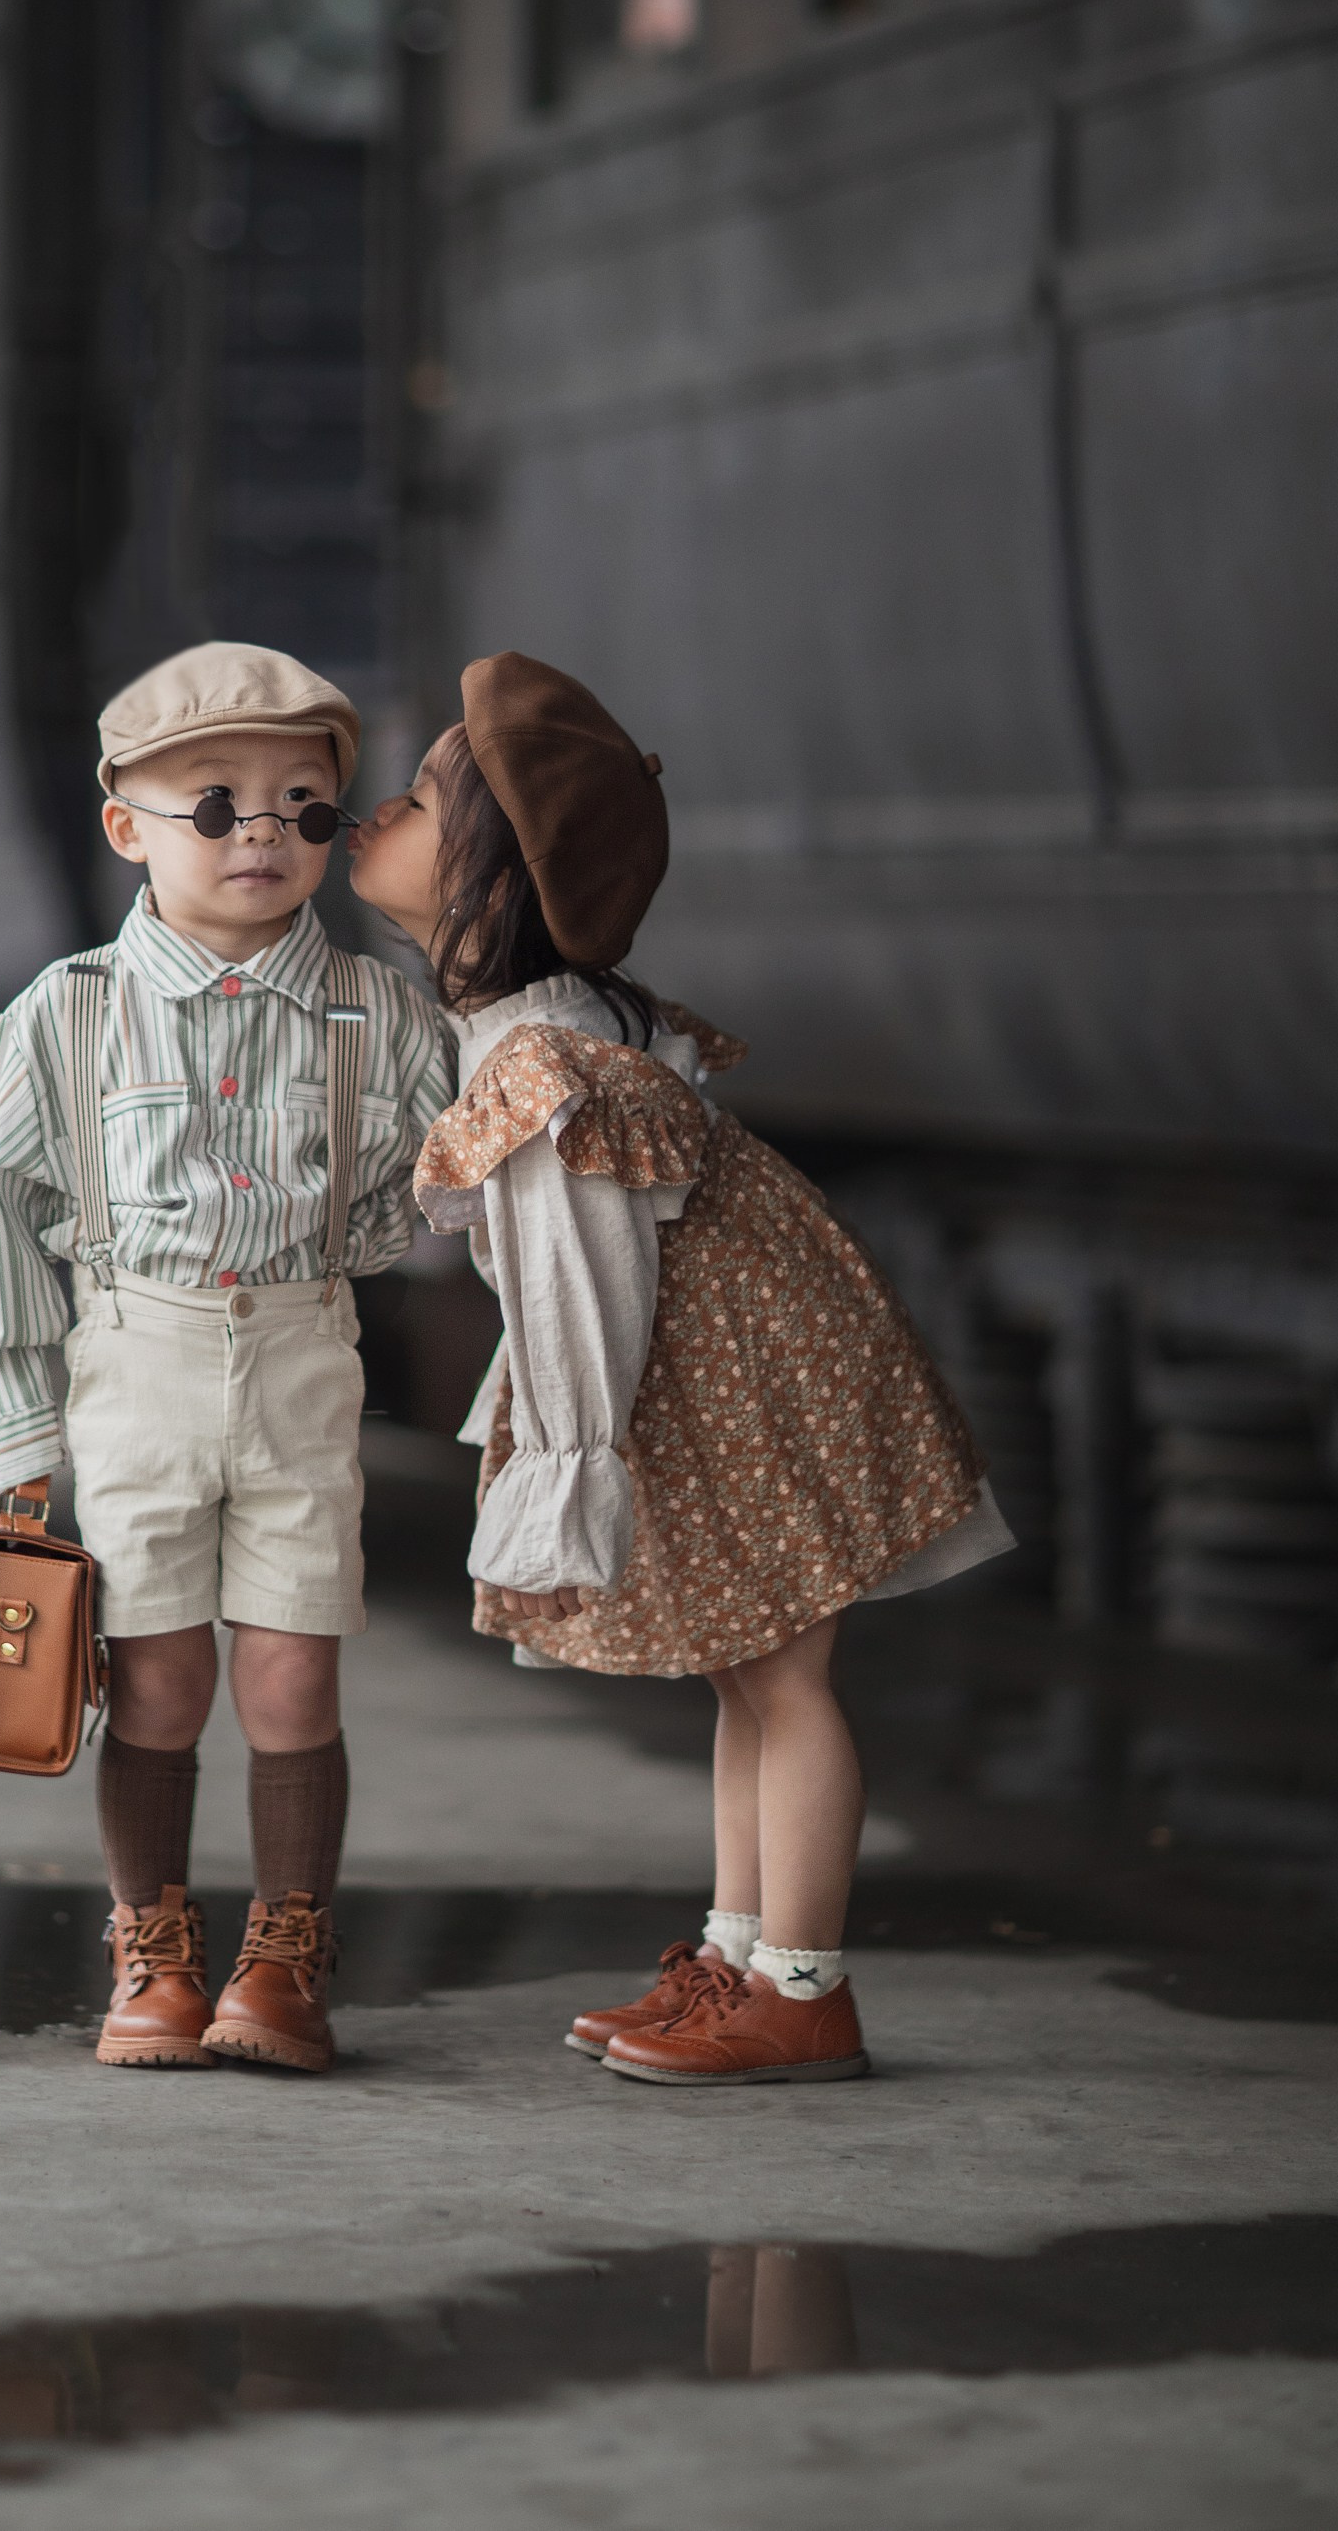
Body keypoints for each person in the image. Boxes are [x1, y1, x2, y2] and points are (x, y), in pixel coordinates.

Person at [348, 653, 1012, 2085]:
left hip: (753, 1388)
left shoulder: (546, 1068)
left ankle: (805, 1990)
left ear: (492, 873)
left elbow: (582, 1295)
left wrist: (565, 1470)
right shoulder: (545, 1037)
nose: (370, 818)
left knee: (789, 1687)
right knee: (747, 1682)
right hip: (736, 1375)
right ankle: (737, 1962)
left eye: (412, 804)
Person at [0, 643, 455, 2075]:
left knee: (293, 1674)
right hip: (134, 1364)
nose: (263, 837)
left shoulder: (379, 1012)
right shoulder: (72, 1009)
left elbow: (470, 1147)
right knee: (156, 1680)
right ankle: (151, 1949)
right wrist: (14, 1422)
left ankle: (286, 1958)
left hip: (303, 1357)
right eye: (215, 807)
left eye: (302, 808)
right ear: (128, 828)